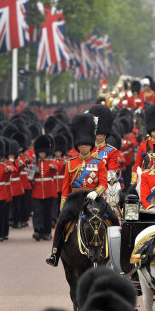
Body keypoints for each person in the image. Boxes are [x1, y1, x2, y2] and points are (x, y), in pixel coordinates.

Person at [47, 113, 108, 267]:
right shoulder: (70, 163)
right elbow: (66, 187)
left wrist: (97, 192)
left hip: (94, 197)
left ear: (90, 145)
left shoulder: (99, 163)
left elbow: (104, 183)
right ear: (78, 146)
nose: (84, 147)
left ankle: (116, 253)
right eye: (81, 145)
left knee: (113, 220)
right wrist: (63, 205)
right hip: (75, 200)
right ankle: (55, 253)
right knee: (61, 223)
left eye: (86, 145)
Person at [30, 135, 58, 242]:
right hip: (37, 190)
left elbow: (57, 167)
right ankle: (37, 230)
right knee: (37, 212)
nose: (41, 154)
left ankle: (46, 232)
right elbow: (30, 176)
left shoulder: (51, 161)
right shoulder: (35, 162)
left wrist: (53, 167)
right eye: (40, 152)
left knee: (47, 213)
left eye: (43, 152)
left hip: (48, 191)